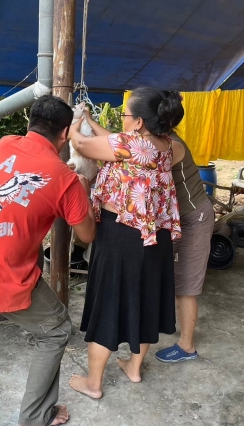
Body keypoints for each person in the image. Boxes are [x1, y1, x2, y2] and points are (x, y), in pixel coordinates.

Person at [0, 95, 96, 426]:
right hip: (0, 267)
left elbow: (26, 179)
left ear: (30, 121)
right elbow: (87, 235)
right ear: (64, 135)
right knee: (56, 329)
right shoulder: (65, 179)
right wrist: (81, 189)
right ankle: (35, 415)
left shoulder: (5, 143)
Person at [67, 87, 185, 399]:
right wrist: (92, 121)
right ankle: (134, 368)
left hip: (121, 236)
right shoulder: (171, 147)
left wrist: (76, 123)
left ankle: (93, 384)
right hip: (156, 238)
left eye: (126, 115)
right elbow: (117, 143)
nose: (123, 119)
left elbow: (82, 145)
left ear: (139, 122)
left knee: (108, 303)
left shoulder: (129, 145)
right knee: (146, 300)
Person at [154, 132, 214, 363]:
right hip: (179, 219)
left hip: (194, 219)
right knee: (173, 276)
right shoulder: (160, 140)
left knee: (185, 285)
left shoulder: (171, 146)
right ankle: (168, 323)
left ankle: (187, 346)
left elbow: (128, 153)